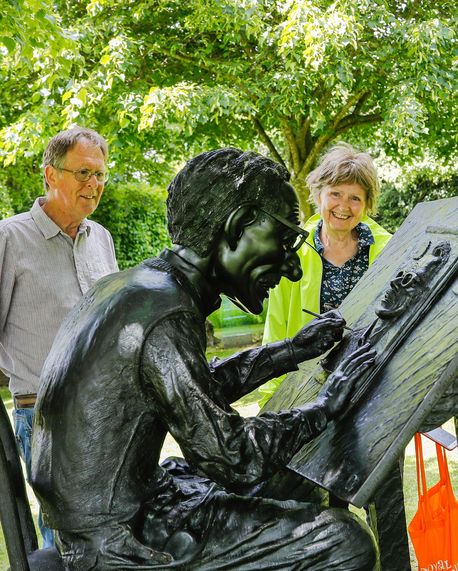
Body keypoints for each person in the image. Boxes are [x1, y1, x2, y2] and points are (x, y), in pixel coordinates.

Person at [30, 148, 378, 571]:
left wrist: (292, 350)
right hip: (116, 543)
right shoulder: (165, 313)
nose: (292, 268)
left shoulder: (138, 287)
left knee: (297, 479)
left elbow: (193, 388)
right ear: (237, 227)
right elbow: (233, 457)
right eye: (284, 242)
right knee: (345, 542)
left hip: (119, 514)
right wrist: (326, 407)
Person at [0, 126, 119, 548]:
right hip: (44, 419)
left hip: (107, 417)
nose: (94, 185)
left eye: (101, 175)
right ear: (50, 175)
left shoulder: (101, 239)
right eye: (83, 173)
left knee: (110, 541)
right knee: (65, 546)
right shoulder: (6, 239)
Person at [258, 143, 392, 406]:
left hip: (374, 386)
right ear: (319, 196)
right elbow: (276, 332)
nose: (344, 206)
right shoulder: (292, 253)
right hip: (308, 391)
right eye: (335, 194)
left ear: (366, 204)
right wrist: (270, 402)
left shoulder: (389, 250)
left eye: (355, 198)